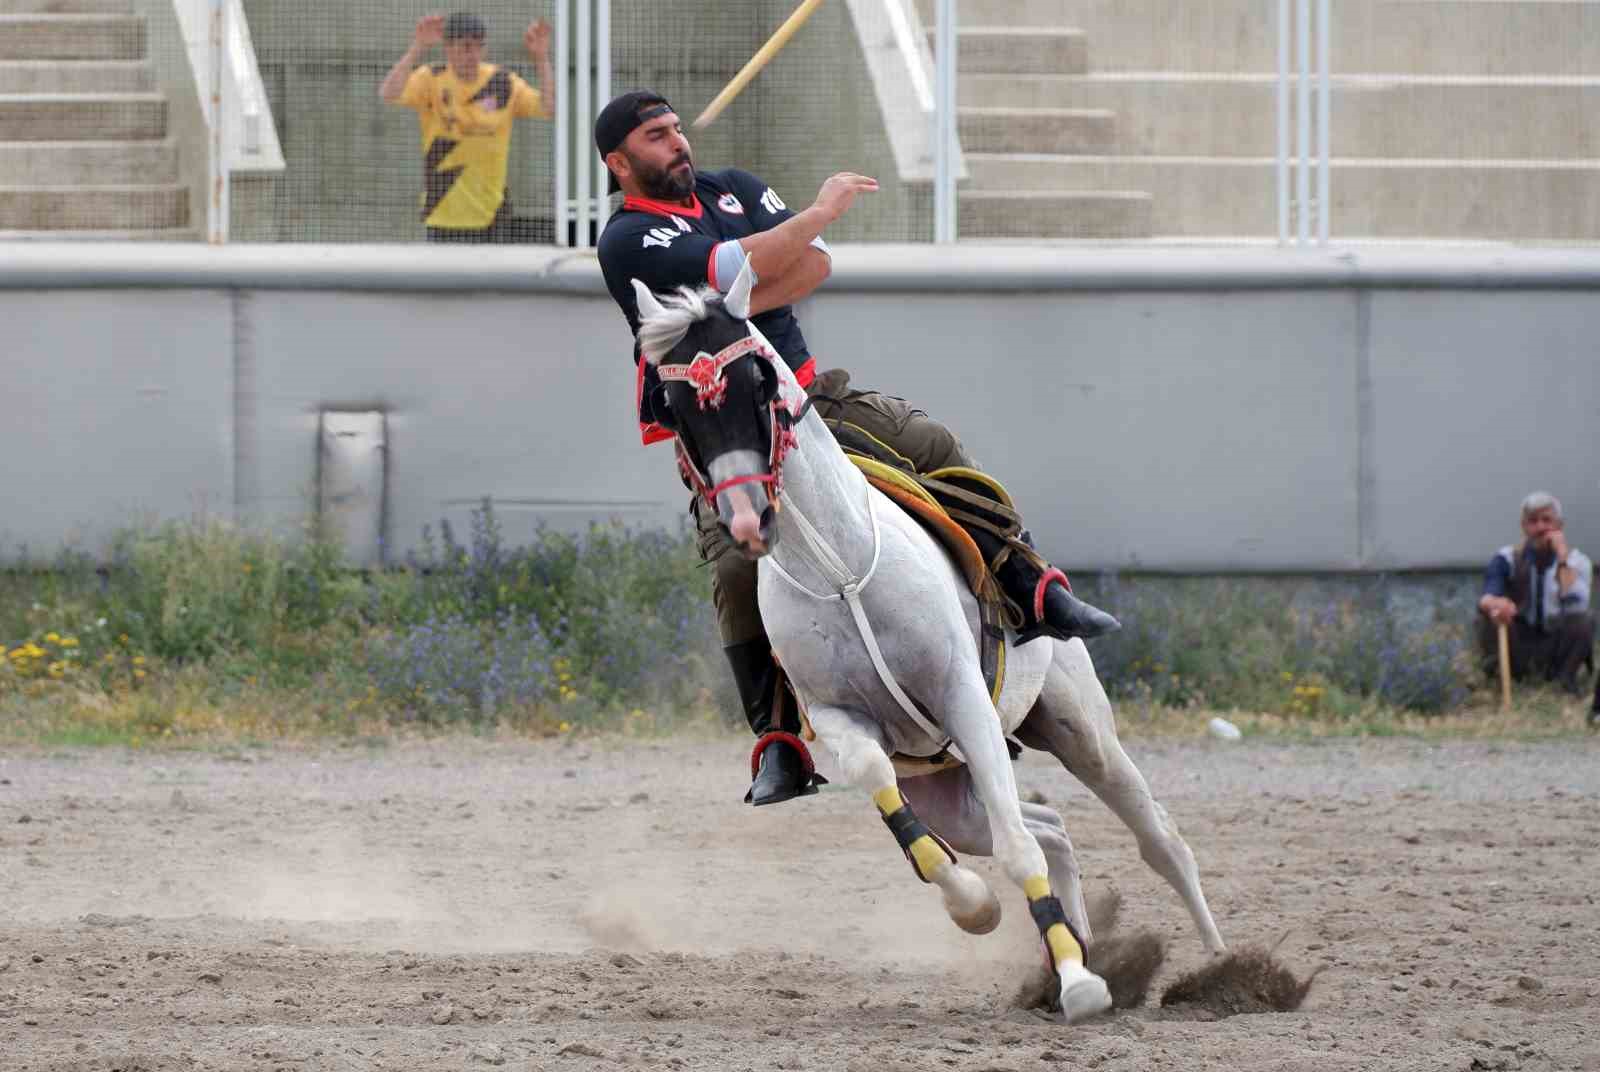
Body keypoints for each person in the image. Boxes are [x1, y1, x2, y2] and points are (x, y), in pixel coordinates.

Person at [593, 90, 1119, 805]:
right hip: (726, 433)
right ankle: (777, 742)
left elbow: (810, 268)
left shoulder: (736, 189)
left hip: (808, 396)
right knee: (736, 571)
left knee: (927, 442)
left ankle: (1032, 584)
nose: (678, 143)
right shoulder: (626, 239)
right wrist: (812, 216)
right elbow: (736, 266)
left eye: (677, 129)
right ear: (619, 163)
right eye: (657, 137)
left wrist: (763, 262)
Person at [380, 12, 554, 243]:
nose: (472, 54)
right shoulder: (431, 78)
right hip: (442, 214)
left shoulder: (502, 82)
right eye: (465, 47)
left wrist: (541, 58)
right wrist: (417, 47)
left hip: (491, 215)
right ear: (448, 48)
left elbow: (549, 108)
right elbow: (388, 94)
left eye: (478, 47)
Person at [1476, 492, 1593, 702]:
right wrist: (1497, 604)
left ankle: (1565, 682)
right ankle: (1501, 681)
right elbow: (1487, 595)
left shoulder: (1578, 562)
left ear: (1559, 525)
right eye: (1533, 521)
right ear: (1524, 527)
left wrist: (1562, 559)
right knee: (1487, 616)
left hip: (1555, 645)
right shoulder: (1507, 558)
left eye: (1546, 520)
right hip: (1519, 643)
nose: (1540, 528)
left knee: (1585, 620)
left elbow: (1578, 604)